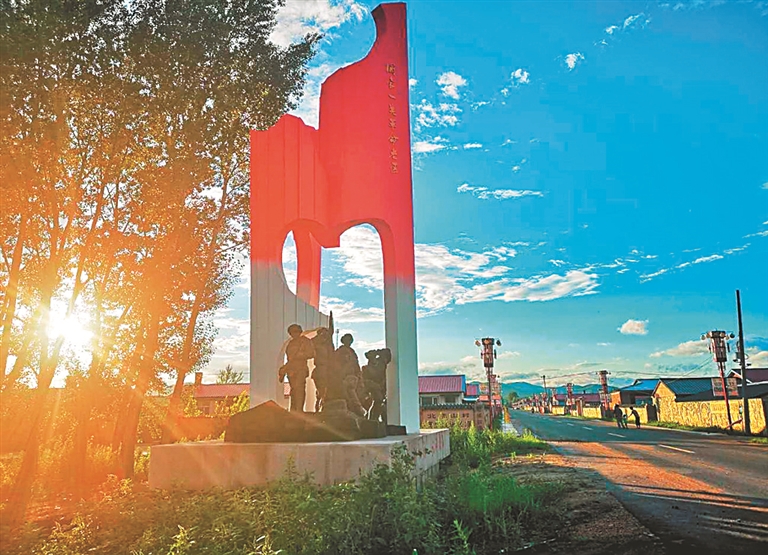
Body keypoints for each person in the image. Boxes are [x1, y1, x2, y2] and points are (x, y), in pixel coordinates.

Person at [279, 324, 315, 412]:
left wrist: (301, 355)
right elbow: (289, 358)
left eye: (295, 332)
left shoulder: (305, 341)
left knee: (300, 388)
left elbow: (312, 354)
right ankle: (293, 409)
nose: (294, 334)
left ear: (299, 332)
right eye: (292, 332)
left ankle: (299, 409)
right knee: (294, 390)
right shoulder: (290, 343)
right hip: (291, 369)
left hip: (301, 368)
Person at [334, 333, 365, 416]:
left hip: (353, 376)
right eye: (347, 340)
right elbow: (338, 364)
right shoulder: (341, 351)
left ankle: (355, 410)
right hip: (345, 376)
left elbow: (356, 365)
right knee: (349, 393)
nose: (349, 342)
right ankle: (358, 409)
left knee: (354, 393)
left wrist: (359, 377)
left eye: (350, 340)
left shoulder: (352, 352)